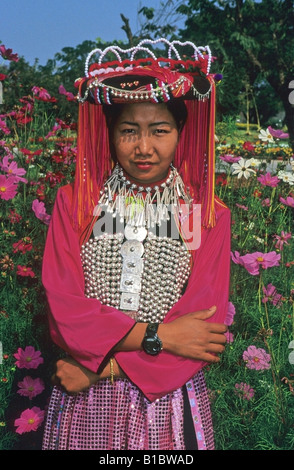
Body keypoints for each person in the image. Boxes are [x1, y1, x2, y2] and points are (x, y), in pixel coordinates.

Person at [41, 39, 231, 451]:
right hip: (85, 403)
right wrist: (163, 335)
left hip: (160, 395)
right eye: (129, 131)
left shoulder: (203, 212)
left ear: (181, 132)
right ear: (109, 133)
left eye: (159, 130)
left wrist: (102, 369)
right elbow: (65, 309)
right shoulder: (78, 204)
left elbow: (202, 328)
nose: (144, 147)